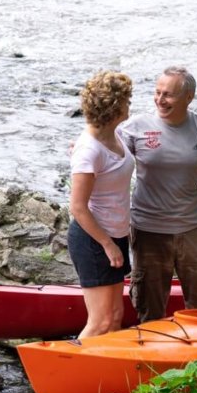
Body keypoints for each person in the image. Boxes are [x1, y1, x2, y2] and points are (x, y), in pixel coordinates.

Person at [122, 66, 197, 322]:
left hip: (192, 230)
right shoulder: (135, 128)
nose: (160, 100)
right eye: (157, 92)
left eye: (168, 94)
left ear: (188, 97)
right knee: (150, 309)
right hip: (148, 231)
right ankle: (153, 359)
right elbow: (108, 161)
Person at [67, 71, 134, 339]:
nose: (130, 104)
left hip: (115, 236)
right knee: (99, 323)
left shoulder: (114, 134)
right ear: (114, 108)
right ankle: (69, 375)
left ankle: (104, 379)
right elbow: (78, 207)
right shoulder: (89, 149)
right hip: (94, 240)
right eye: (127, 100)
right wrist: (107, 244)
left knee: (115, 318)